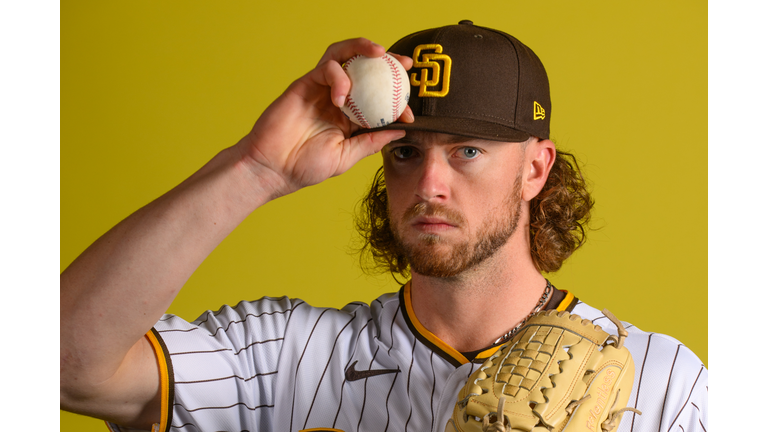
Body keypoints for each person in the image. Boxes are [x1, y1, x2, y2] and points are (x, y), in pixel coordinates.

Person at [60, 21, 707, 432]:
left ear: (535, 169)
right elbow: (63, 365)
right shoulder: (283, 357)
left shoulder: (663, 382)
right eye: (405, 151)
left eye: (467, 151)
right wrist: (255, 169)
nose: (429, 183)